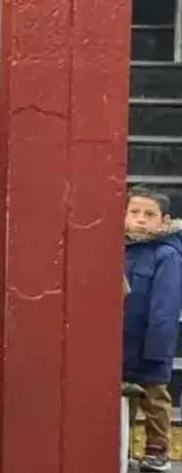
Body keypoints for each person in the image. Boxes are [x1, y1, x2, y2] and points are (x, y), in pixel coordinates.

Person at [122, 188, 182, 472]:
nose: (140, 220)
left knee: (155, 398)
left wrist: (157, 346)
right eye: (134, 213)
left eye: (149, 215)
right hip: (121, 340)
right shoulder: (121, 248)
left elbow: (166, 305)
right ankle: (122, 448)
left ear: (165, 220)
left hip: (150, 342)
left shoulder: (167, 254)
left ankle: (158, 452)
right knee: (124, 399)